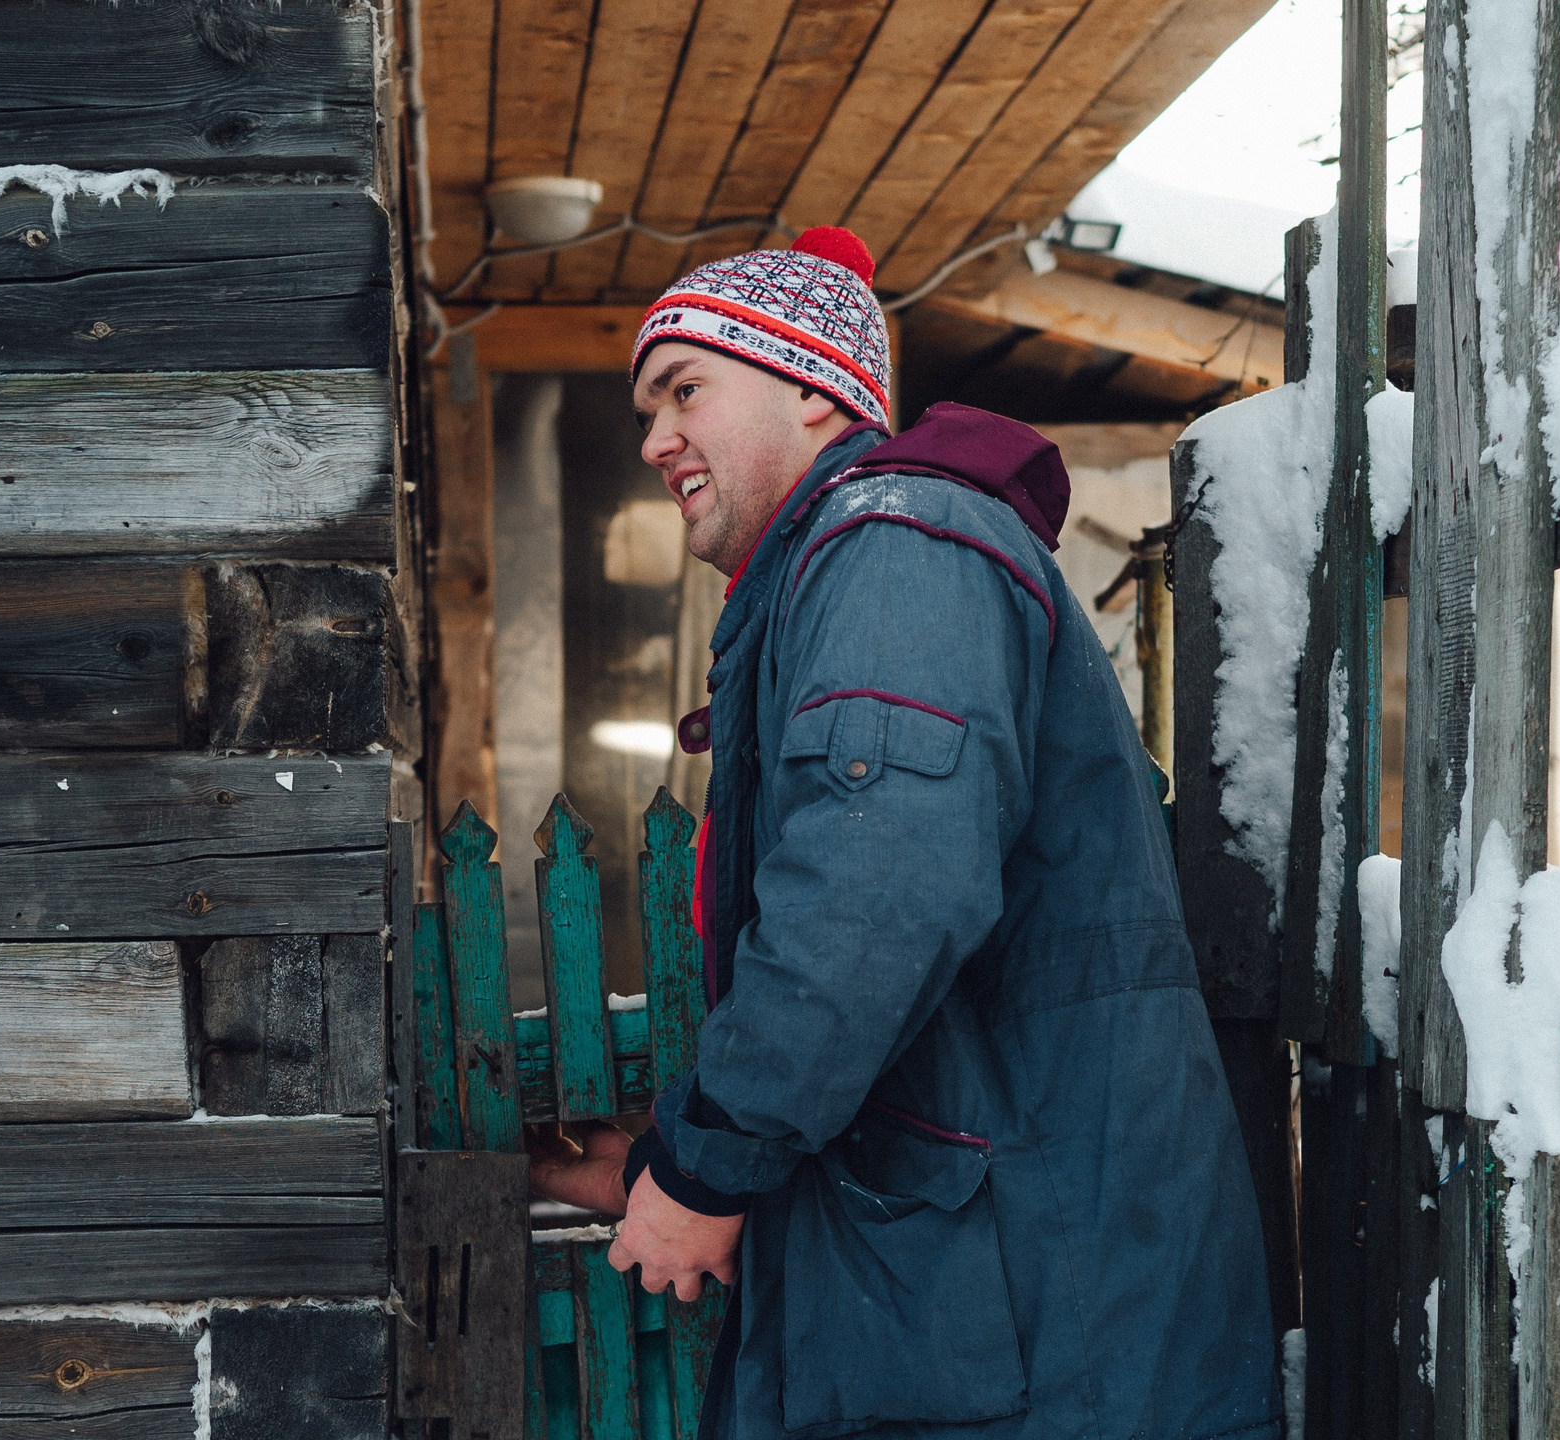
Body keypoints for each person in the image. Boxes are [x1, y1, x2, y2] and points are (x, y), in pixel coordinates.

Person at [525, 226, 1281, 1440]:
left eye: (685, 390)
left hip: (1032, 1317)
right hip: (985, 1291)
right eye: (645, 409)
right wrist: (662, 1162)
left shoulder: (896, 550)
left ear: (817, 393)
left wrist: (709, 1167)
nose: (657, 438)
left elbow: (874, 894)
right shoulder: (853, 568)